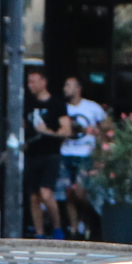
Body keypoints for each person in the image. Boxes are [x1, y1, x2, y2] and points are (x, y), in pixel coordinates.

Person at [58, 75, 107, 239]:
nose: (65, 89)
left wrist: (99, 140)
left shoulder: (92, 107)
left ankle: (87, 220)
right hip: (66, 152)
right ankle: (74, 230)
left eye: (69, 85)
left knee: (80, 192)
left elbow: (108, 128)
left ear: (78, 88)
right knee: (68, 193)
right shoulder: (62, 108)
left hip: (86, 154)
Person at [22, 68, 65, 236]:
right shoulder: (29, 103)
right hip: (32, 153)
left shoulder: (56, 104)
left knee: (46, 194)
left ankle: (57, 227)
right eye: (28, 81)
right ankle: (39, 233)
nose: (29, 85)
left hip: (50, 154)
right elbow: (23, 125)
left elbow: (66, 130)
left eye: (33, 81)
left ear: (43, 82)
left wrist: (48, 132)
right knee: (33, 196)